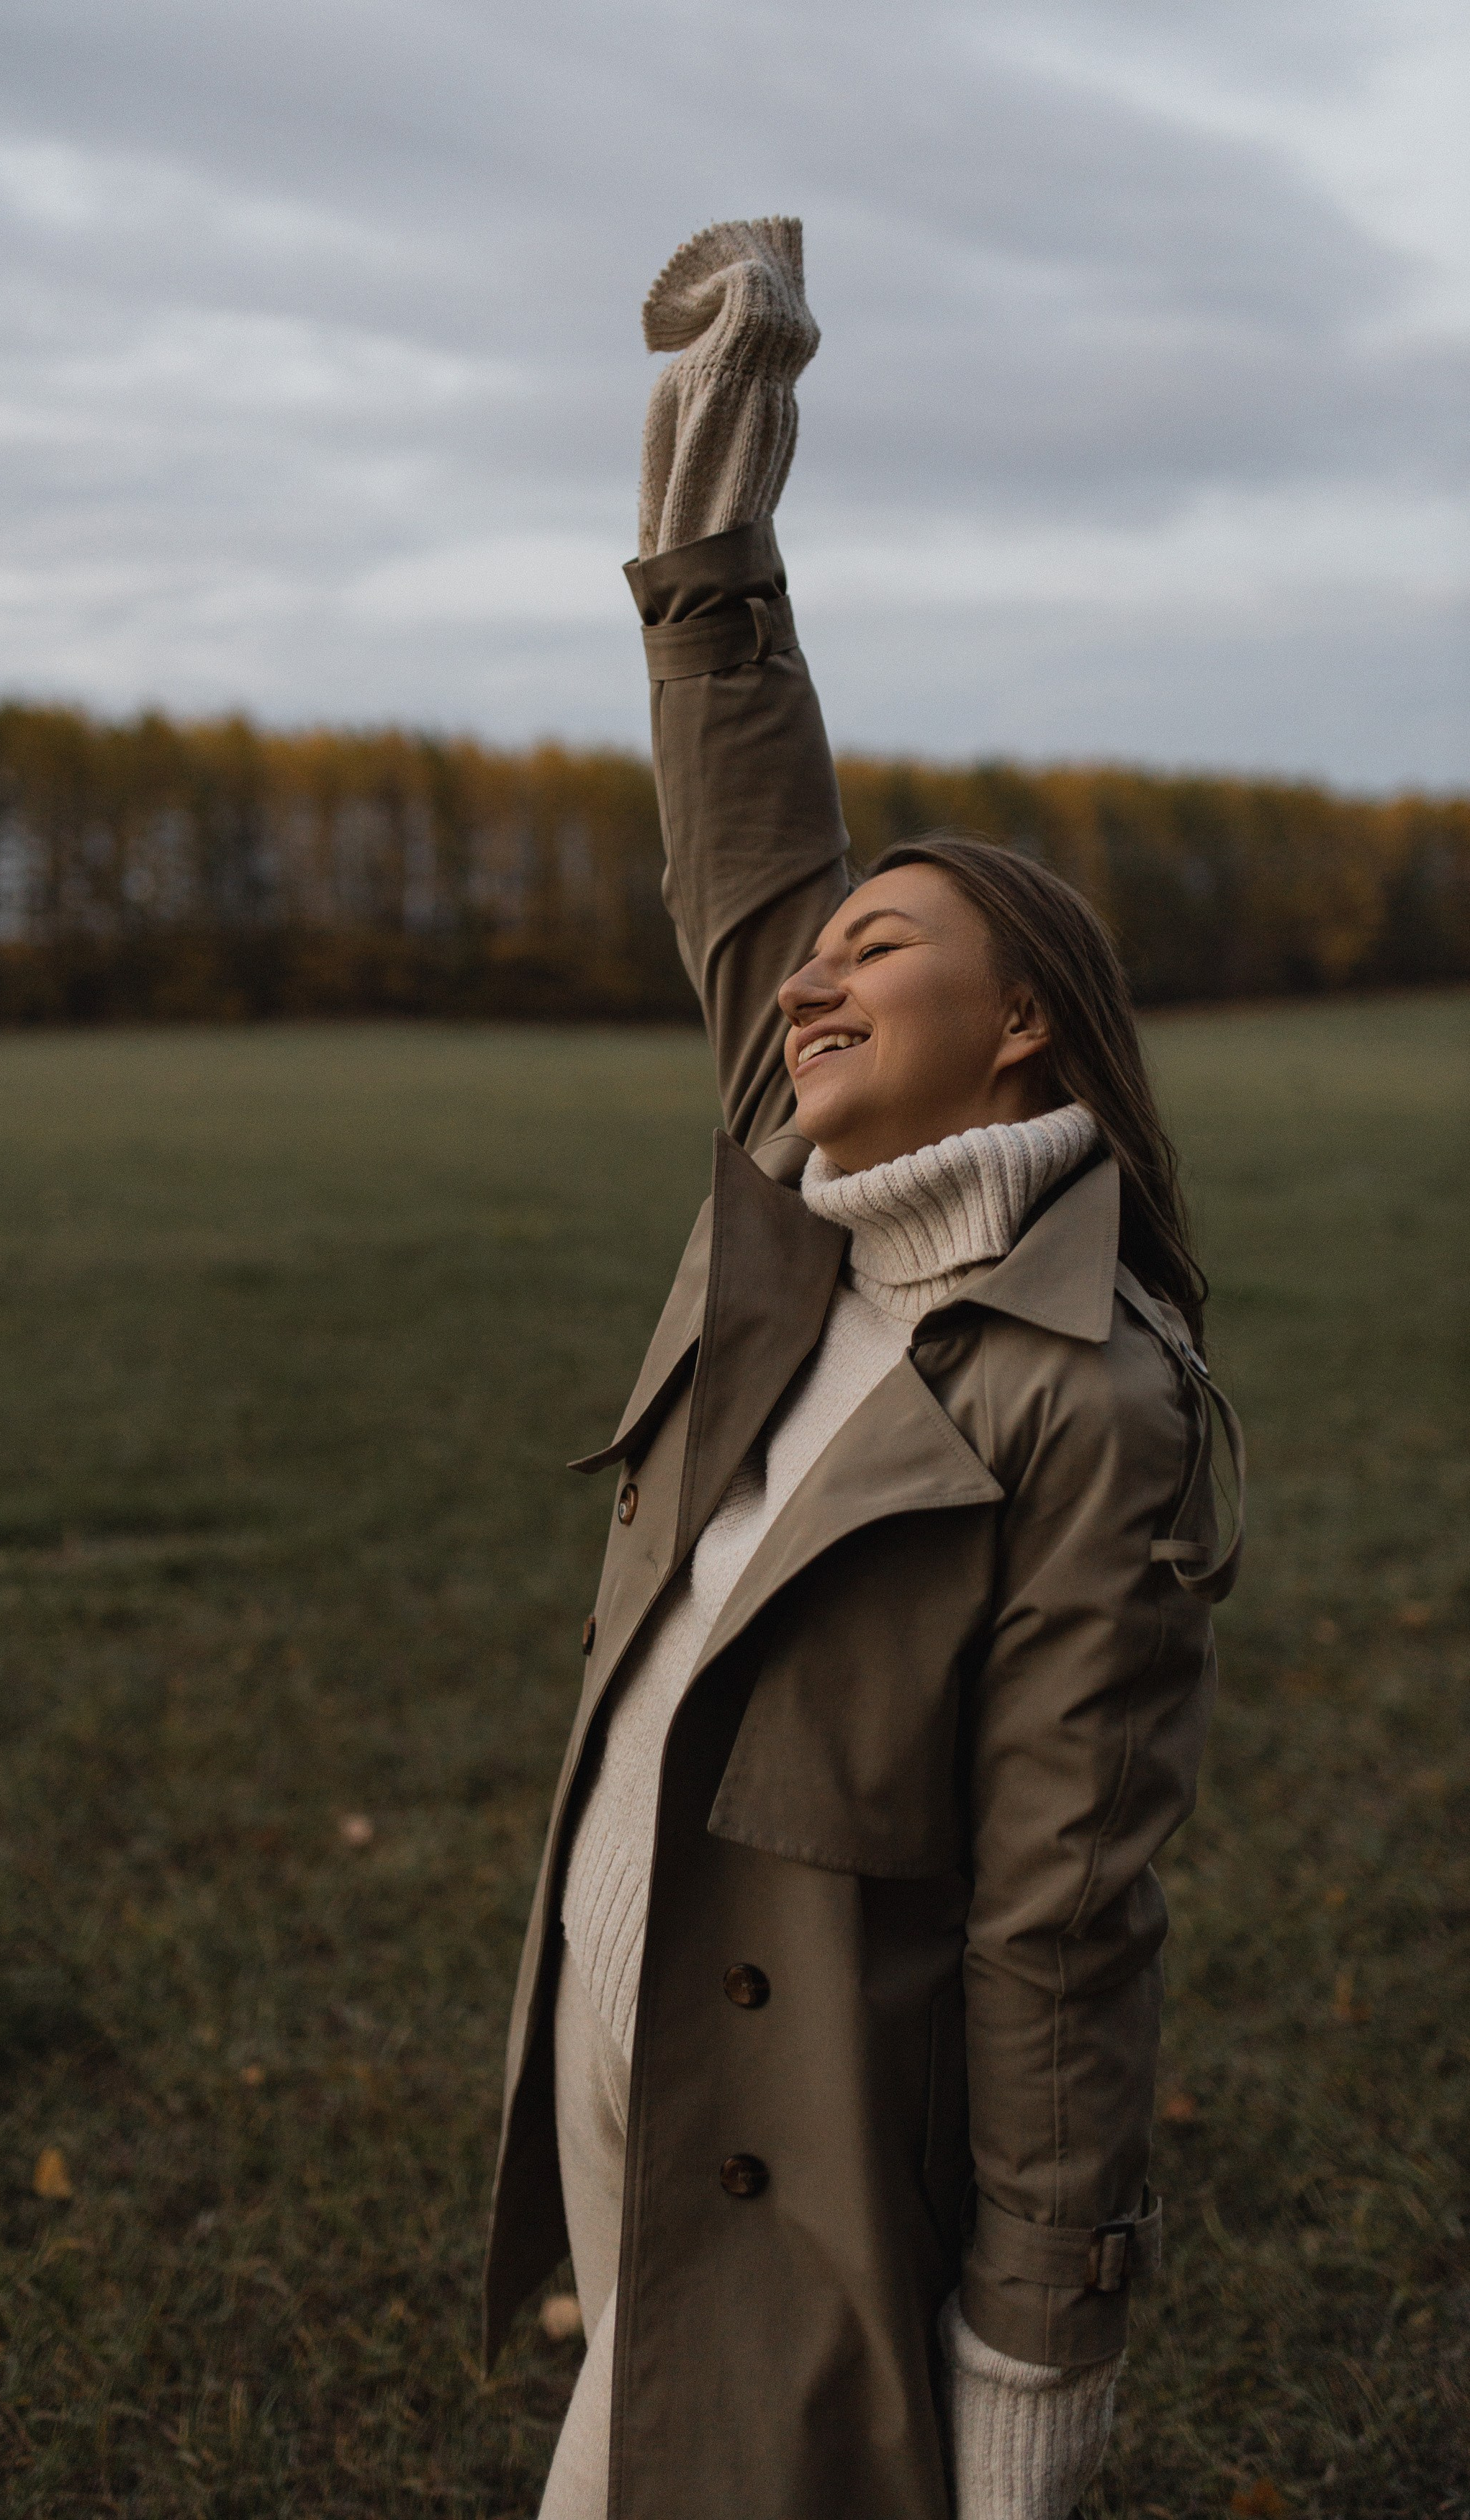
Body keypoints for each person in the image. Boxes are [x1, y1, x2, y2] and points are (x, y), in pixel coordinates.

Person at [484, 217, 1243, 2520]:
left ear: (1023, 1026)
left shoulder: (1090, 1401)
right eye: (804, 963)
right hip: (624, 2117)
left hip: (801, 2189)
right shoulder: (790, 1204)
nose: (809, 981)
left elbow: (1063, 1916)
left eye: (879, 945)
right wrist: (714, 502)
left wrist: (1035, 2352)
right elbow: (739, 823)